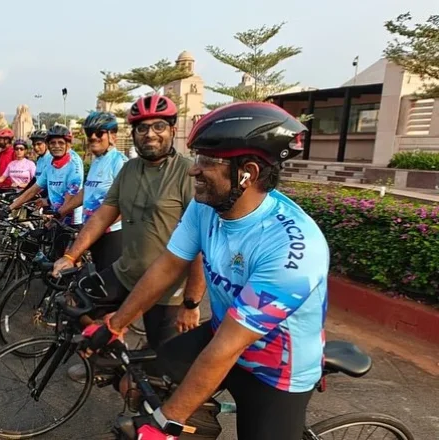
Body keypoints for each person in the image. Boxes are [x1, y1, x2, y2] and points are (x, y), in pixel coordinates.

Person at [80, 102, 328, 440]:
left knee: (168, 419)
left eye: (207, 162)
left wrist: (169, 422)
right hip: (221, 332)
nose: (193, 171)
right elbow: (168, 266)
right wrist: (116, 324)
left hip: (275, 369)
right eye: (195, 158)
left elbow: (228, 347)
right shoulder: (206, 205)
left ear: (248, 172)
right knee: (136, 382)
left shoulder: (293, 248)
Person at [52, 95, 207, 362]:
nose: (150, 134)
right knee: (74, 301)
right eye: (142, 128)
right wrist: (70, 256)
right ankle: (109, 357)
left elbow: (201, 243)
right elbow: (103, 215)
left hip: (167, 289)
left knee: (165, 366)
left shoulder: (186, 173)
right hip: (125, 271)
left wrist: (191, 303)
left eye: (158, 126)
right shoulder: (130, 169)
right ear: (134, 133)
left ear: (172, 129)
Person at [56, 111, 127, 272]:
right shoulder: (97, 161)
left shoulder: (119, 162)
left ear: (112, 135)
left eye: (99, 132)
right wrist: (60, 213)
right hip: (93, 232)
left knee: (107, 288)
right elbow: (86, 191)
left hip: (112, 235)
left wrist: (101, 226)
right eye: (89, 133)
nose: (93, 137)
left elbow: (127, 204)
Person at [8, 124, 83, 225]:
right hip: (55, 217)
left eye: (61, 143)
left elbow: (68, 202)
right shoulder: (51, 163)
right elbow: (33, 189)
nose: (56, 146)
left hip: (71, 222)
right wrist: (9, 208)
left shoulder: (74, 164)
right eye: (53, 143)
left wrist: (49, 226)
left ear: (68, 145)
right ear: (48, 145)